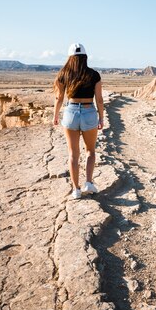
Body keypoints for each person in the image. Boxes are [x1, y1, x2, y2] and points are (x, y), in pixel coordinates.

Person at [53, 43, 104, 199]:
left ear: (70, 58)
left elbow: (59, 98)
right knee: (90, 151)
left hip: (71, 112)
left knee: (73, 154)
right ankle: (88, 182)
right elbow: (99, 99)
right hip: (89, 112)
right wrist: (101, 117)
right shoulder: (94, 75)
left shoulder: (63, 74)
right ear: (85, 57)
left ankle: (76, 189)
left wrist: (55, 115)